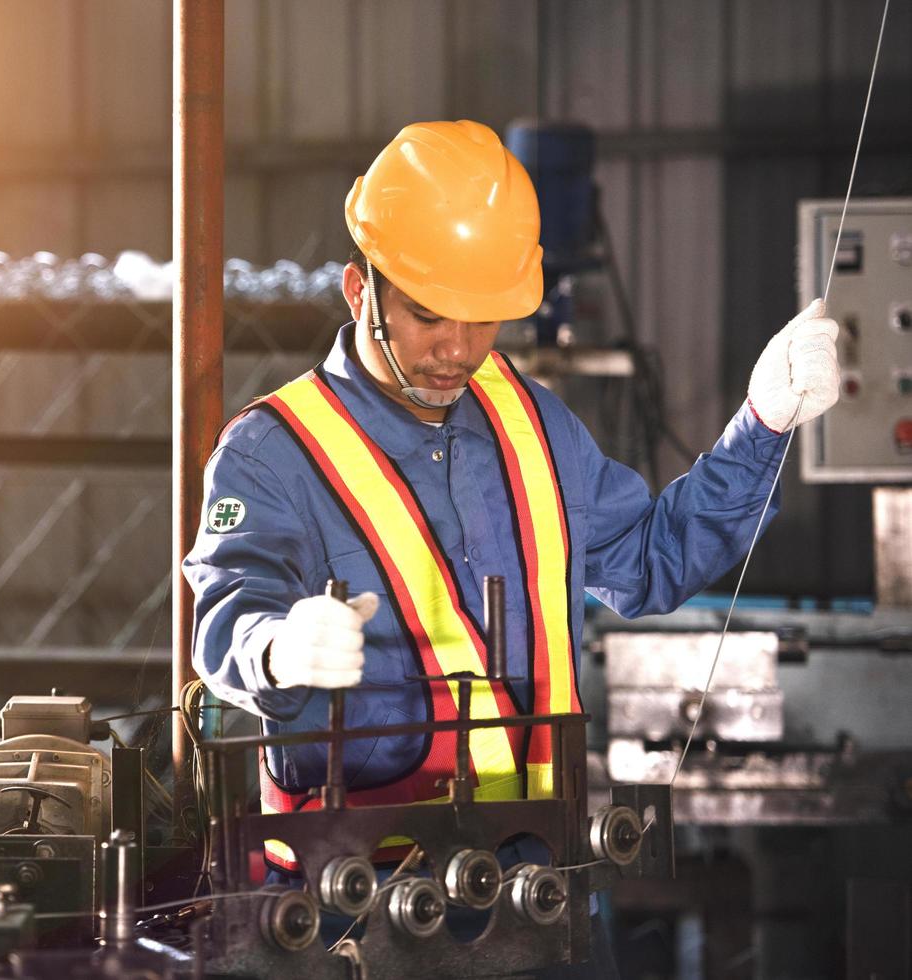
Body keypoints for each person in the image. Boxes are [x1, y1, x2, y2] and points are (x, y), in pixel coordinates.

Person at [181, 120, 840, 974]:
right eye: (427, 316)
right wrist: (272, 646)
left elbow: (647, 563)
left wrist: (762, 425)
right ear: (358, 290)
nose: (458, 348)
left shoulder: (531, 423)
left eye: (482, 318)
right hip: (350, 912)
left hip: (538, 894)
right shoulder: (271, 455)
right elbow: (227, 615)